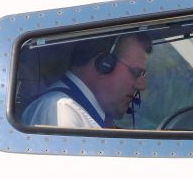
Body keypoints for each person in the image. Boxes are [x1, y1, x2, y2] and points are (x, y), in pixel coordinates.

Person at [21, 33, 152, 129]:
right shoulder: (62, 111)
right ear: (105, 64)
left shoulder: (88, 114)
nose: (142, 85)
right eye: (135, 73)